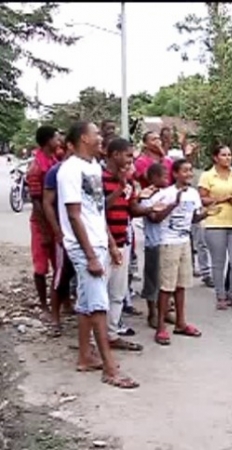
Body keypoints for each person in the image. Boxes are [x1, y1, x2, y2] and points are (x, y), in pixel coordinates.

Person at [57, 121, 137, 389]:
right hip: (84, 247)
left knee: (85, 302)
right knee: (99, 304)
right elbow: (74, 214)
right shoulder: (70, 170)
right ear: (83, 138)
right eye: (96, 134)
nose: (101, 138)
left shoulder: (92, 167)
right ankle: (110, 369)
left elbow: (96, 209)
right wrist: (90, 254)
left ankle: (85, 357)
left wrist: (110, 244)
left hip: (99, 242)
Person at [103, 138, 156, 352]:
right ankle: (94, 339)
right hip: (104, 245)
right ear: (115, 155)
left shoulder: (127, 181)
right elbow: (99, 210)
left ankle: (112, 334)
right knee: (98, 294)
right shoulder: (100, 178)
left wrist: (152, 208)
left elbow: (131, 209)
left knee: (117, 292)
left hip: (123, 242)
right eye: (127, 156)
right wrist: (120, 187)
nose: (130, 161)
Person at [149, 159, 209, 345]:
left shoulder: (193, 194)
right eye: (185, 170)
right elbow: (155, 217)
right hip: (168, 242)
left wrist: (206, 213)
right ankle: (161, 326)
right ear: (175, 174)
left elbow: (192, 218)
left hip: (184, 241)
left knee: (181, 284)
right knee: (166, 286)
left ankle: (181, 323)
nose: (189, 174)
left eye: (191, 170)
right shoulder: (166, 194)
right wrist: (174, 203)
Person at [198, 145, 232, 310]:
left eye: (229, 155)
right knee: (218, 262)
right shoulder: (207, 175)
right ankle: (221, 296)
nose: (227, 158)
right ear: (215, 158)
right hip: (215, 221)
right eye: (223, 155)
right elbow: (202, 198)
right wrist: (220, 199)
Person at [26, 125, 60, 319]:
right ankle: (43, 304)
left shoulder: (53, 160)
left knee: (58, 264)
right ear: (48, 141)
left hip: (52, 220)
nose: (60, 141)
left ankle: (60, 302)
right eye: (56, 138)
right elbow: (37, 201)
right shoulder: (37, 167)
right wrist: (45, 229)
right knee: (41, 266)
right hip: (41, 223)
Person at [43, 140, 75, 336]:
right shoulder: (56, 172)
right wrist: (57, 231)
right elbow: (47, 203)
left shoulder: (90, 168)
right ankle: (55, 318)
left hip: (86, 232)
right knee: (61, 275)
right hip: (65, 232)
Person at [139, 163, 173, 329]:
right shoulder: (147, 197)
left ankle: (164, 310)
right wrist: (172, 206)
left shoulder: (168, 193)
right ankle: (152, 312)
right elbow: (154, 217)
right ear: (152, 178)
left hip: (169, 241)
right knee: (152, 279)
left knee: (166, 279)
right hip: (154, 242)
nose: (166, 179)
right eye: (162, 176)